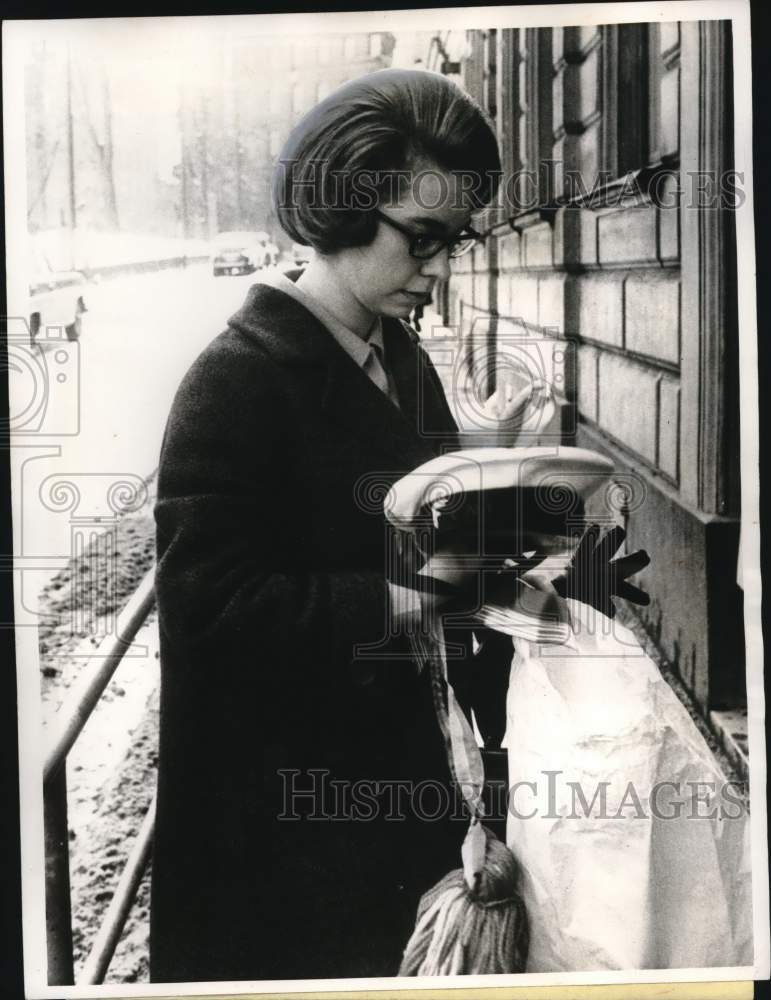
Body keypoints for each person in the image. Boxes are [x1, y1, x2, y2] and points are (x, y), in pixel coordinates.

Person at [149, 68, 507, 983]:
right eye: (422, 239)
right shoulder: (235, 381)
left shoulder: (401, 359)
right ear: (342, 208)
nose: (439, 270)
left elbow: (430, 531)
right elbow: (211, 613)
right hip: (277, 848)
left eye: (454, 242)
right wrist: (404, 596)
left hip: (390, 811)